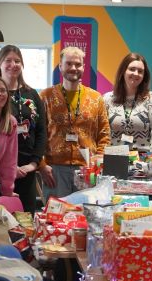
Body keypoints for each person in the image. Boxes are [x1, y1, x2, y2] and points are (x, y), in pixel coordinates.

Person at [40, 46, 110, 198]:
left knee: (86, 216)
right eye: (69, 63)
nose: (73, 68)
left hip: (87, 170)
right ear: (60, 66)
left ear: (84, 67)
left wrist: (98, 160)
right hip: (54, 170)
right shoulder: (45, 97)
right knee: (55, 216)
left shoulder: (96, 98)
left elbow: (104, 133)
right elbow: (38, 134)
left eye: (78, 64)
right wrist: (41, 165)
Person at [0, 46, 48, 212]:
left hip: (27, 170)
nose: (13, 64)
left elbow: (41, 131)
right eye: (8, 60)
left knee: (26, 219)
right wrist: (8, 169)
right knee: (1, 221)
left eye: (17, 61)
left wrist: (34, 164)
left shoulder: (32, 94)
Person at [103, 52, 152, 153]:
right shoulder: (107, 99)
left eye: (140, 71)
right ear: (123, 71)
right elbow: (102, 134)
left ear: (144, 76)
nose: (136, 73)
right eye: (132, 69)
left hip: (143, 162)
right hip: (114, 160)